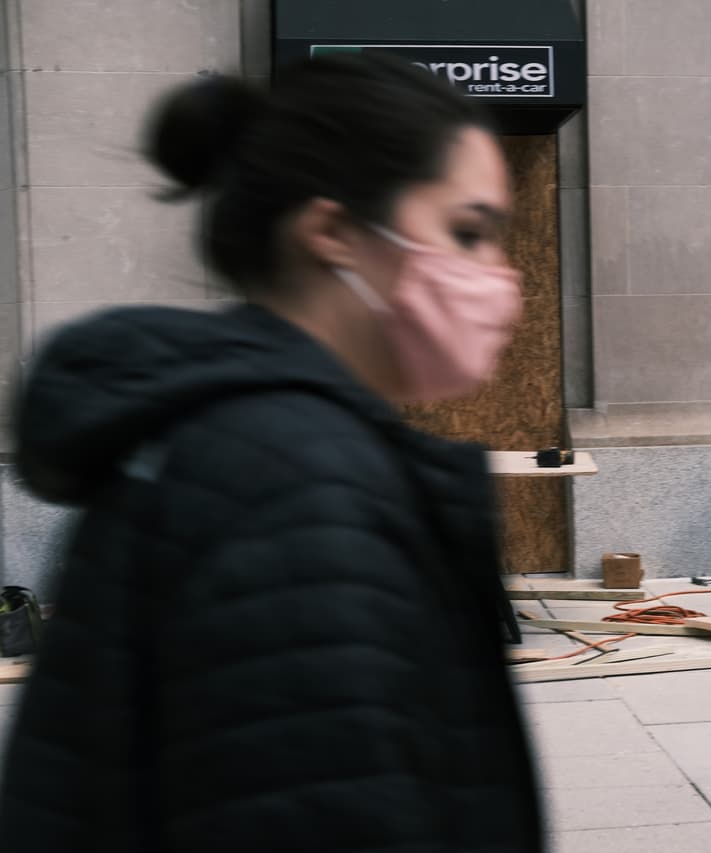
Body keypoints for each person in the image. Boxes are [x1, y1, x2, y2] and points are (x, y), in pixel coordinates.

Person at [0, 54, 543, 852]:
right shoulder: (298, 484)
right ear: (333, 232)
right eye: (468, 232)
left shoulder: (234, 439)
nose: (502, 275)